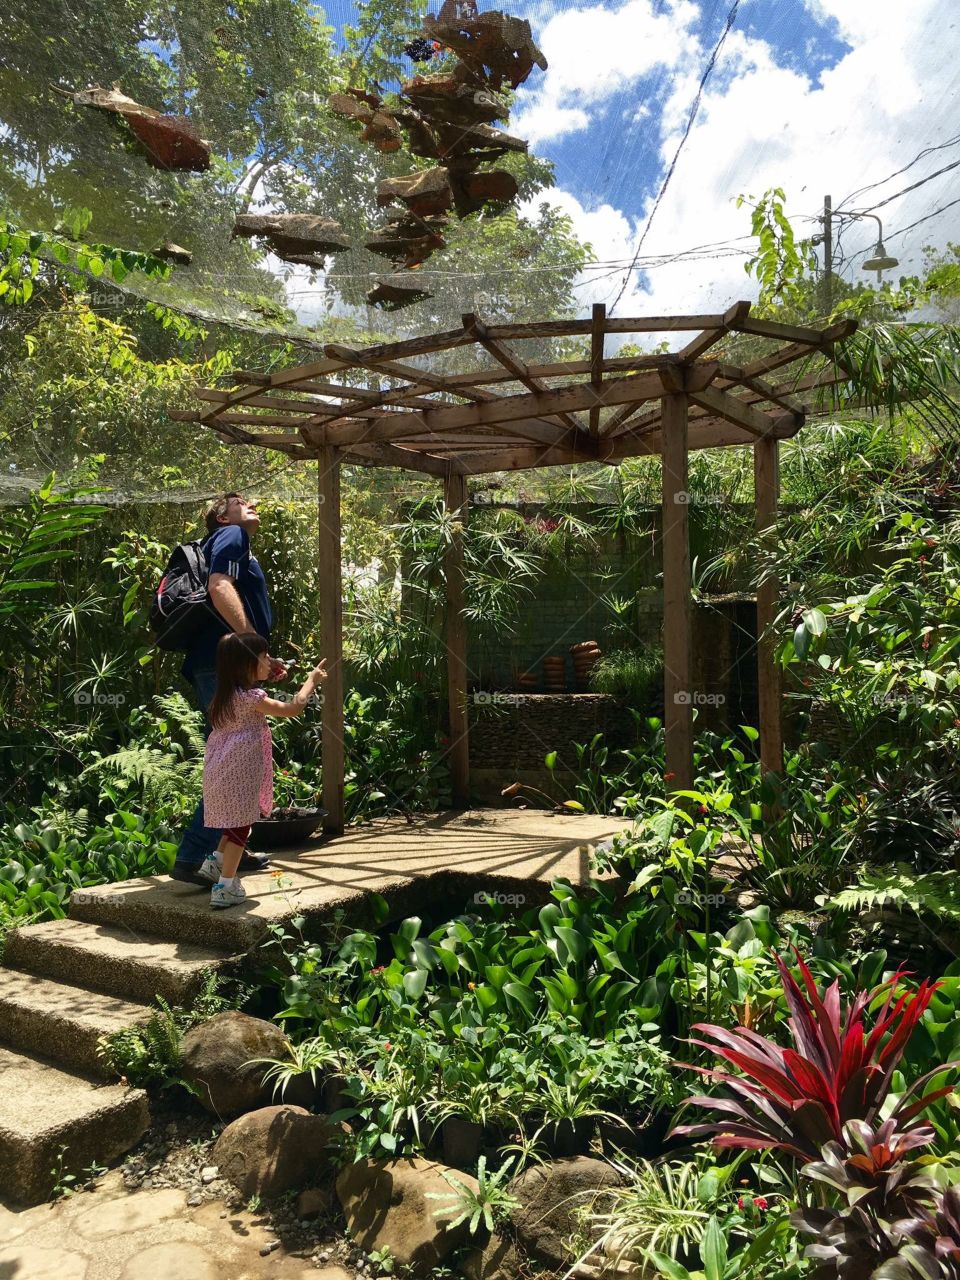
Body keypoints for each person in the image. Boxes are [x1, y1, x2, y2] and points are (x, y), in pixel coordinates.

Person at [171, 491, 288, 887]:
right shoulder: (233, 537)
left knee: (231, 759)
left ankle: (227, 854)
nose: (252, 503)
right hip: (221, 664)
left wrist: (258, 661)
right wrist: (256, 647)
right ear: (223, 518)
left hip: (219, 664)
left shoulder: (225, 540)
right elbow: (220, 587)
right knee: (231, 761)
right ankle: (193, 859)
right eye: (240, 502)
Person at [200, 632, 328, 909]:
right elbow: (292, 708)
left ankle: (215, 864)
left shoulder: (223, 697)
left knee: (232, 823)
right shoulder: (252, 698)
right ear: (246, 665)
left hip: (218, 773)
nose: (269, 661)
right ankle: (225, 886)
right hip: (240, 774)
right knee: (240, 830)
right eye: (264, 658)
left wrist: (268, 674)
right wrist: (311, 682)